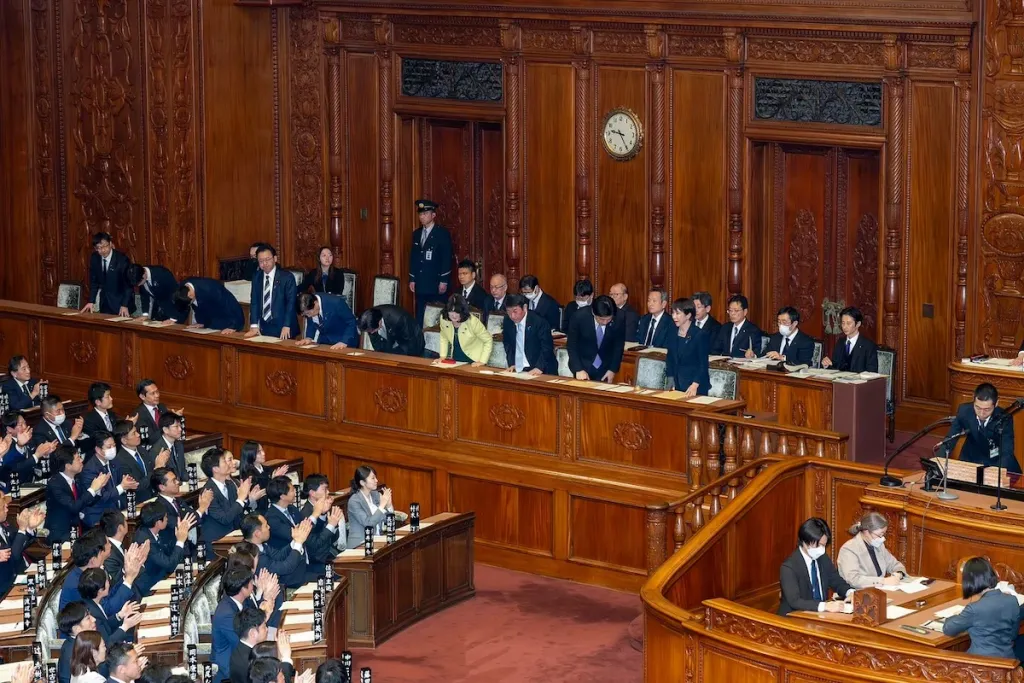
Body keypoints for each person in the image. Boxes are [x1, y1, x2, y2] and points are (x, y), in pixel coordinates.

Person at [943, 557, 1023, 658]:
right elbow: (1013, 635)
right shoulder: (1012, 600)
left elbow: (948, 629)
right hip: (1007, 660)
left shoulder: (974, 609)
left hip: (981, 664)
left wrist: (955, 616)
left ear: (971, 582)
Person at [778, 518, 855, 616]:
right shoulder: (789, 567)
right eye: (818, 545)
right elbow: (795, 601)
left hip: (819, 616)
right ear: (805, 542)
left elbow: (836, 580)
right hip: (794, 618)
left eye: (824, 545)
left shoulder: (822, 558)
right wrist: (825, 606)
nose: (821, 550)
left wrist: (850, 593)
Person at [212, 567, 278, 679]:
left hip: (245, 655)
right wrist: (265, 615)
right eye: (251, 583)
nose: (254, 586)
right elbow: (244, 640)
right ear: (243, 589)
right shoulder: (226, 615)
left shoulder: (239, 600)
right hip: (232, 668)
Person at [943, 383, 1020, 474]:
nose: (981, 413)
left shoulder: (1004, 418)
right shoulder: (964, 411)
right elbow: (950, 439)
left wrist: (994, 473)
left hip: (996, 462)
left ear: (996, 404)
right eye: (978, 408)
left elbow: (1007, 451)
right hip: (971, 458)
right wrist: (937, 461)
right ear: (974, 400)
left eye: (987, 409)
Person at [60, 528, 140, 611]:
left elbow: (108, 596)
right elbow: (106, 610)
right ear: (93, 560)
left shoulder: (88, 573)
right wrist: (129, 579)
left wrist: (126, 575)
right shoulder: (80, 586)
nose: (110, 545)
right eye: (107, 543)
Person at [202, 447, 263, 550]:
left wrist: (246, 500)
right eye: (224, 461)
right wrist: (241, 499)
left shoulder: (230, 484)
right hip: (216, 543)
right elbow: (225, 518)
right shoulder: (208, 492)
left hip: (233, 536)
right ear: (215, 469)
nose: (229, 463)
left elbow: (237, 511)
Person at [46, 446, 110, 544]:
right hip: (61, 535)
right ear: (68, 465)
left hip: (77, 529)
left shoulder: (76, 478)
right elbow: (74, 507)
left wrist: (98, 489)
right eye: (77, 458)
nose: (81, 460)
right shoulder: (55, 484)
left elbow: (86, 502)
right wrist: (93, 489)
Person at [77, 431, 137, 528]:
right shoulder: (90, 470)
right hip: (98, 515)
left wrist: (128, 484)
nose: (113, 449)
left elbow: (120, 483)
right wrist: (122, 487)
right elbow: (102, 497)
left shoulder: (115, 461)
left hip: (115, 511)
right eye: (109, 447)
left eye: (114, 445)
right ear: (98, 449)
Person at [408, 199, 453, 324]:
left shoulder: (442, 234)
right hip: (421, 282)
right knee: (420, 314)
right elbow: (414, 256)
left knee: (436, 315)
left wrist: (443, 281)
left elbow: (446, 258)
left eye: (425, 214)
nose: (422, 217)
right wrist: (412, 278)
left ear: (433, 215)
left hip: (435, 282)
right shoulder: (416, 234)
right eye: (420, 214)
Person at [133, 500, 191, 596]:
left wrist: (178, 539)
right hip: (148, 589)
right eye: (165, 517)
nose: (167, 519)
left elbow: (167, 554)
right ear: (158, 522)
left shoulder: (149, 531)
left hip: (159, 578)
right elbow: (169, 564)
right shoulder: (146, 541)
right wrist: (180, 541)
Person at [240, 512, 312, 589]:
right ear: (257, 534)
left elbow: (279, 555)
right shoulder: (253, 554)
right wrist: (299, 542)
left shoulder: (260, 545)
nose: (269, 527)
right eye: (266, 526)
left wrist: (295, 540)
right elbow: (285, 568)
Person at [837, 512, 907, 589]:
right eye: (879, 535)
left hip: (880, 592)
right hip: (857, 595)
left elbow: (895, 565)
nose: (882, 538)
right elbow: (854, 580)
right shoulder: (849, 549)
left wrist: (898, 574)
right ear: (866, 532)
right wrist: (883, 581)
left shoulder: (879, 546)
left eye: (883, 534)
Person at [566, 295, 625, 383]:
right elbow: (572, 345)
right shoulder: (579, 316)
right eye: (601, 319)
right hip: (583, 366)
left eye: (608, 319)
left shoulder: (619, 317)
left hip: (606, 368)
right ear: (593, 313)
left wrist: (612, 369)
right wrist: (578, 369)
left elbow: (618, 346)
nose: (605, 323)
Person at [152, 467, 212, 550]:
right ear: (162, 487)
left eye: (176, 479)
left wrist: (203, 508)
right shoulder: (159, 507)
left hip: (188, 545)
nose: (178, 482)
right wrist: (202, 508)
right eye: (173, 481)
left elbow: (194, 517)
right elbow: (181, 525)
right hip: (173, 550)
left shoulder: (178, 500)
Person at [78, 568, 141, 644]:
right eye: (107, 581)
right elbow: (106, 643)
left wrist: (120, 615)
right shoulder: (92, 613)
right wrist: (125, 626)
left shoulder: (91, 602)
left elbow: (105, 625)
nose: (109, 583)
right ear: (100, 590)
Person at [247, 244, 297, 341]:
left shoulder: (286, 277)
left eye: (267, 259)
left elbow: (291, 303)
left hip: (283, 327)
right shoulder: (256, 277)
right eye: (261, 261)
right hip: (264, 327)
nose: (264, 263)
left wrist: (286, 325)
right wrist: (254, 325)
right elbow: (254, 301)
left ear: (275, 258)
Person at [665, 298, 711, 397]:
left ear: (688, 315)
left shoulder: (699, 335)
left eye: (678, 313)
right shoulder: (672, 333)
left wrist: (694, 385)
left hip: (696, 386)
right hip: (677, 385)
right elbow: (670, 359)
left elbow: (703, 364)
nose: (674, 317)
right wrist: (670, 379)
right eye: (673, 313)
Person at [502, 294, 556, 375]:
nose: (512, 316)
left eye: (515, 311)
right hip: (518, 368)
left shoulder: (539, 322)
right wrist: (512, 363)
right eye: (508, 312)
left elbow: (547, 347)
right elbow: (508, 344)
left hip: (541, 369)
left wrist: (539, 367)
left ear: (524, 307)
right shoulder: (507, 321)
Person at [0, 498, 43, 599]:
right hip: (4, 589)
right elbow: (14, 554)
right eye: (3, 507)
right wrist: (22, 529)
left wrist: (29, 528)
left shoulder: (4, 525)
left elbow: (18, 543)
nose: (7, 509)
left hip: (18, 578)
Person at [112, 420, 164, 503]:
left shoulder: (141, 450)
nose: (138, 434)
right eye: (134, 433)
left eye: (136, 431)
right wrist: (156, 469)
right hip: (137, 502)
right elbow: (137, 486)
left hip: (153, 496)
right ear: (124, 440)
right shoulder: (119, 460)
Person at [82, 232, 133, 316]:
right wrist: (91, 301)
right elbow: (94, 282)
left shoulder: (122, 260)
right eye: (99, 248)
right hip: (105, 303)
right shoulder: (95, 258)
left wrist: (124, 305)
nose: (102, 250)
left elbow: (128, 285)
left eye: (105, 246)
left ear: (110, 244)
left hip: (121, 305)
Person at [347, 465, 396, 548]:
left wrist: (389, 505)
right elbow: (368, 524)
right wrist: (382, 505)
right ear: (362, 482)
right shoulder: (354, 501)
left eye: (376, 477)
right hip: (360, 545)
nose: (376, 480)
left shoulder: (375, 495)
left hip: (376, 541)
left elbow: (389, 522)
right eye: (373, 478)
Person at [173, 277, 246, 333]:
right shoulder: (183, 288)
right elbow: (197, 306)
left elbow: (230, 305)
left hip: (227, 319)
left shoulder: (210, 288)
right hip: (210, 322)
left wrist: (233, 326)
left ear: (191, 295)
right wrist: (202, 323)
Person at [301, 474, 346, 562]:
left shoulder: (325, 507)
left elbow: (333, 538)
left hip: (329, 552)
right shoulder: (306, 514)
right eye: (324, 489)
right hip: (317, 559)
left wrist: (329, 520)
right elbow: (315, 544)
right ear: (312, 493)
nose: (328, 492)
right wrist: (330, 525)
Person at [439, 294, 492, 365]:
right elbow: (444, 336)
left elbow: (488, 340)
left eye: (457, 312)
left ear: (463, 311)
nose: (454, 315)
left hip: (474, 360)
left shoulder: (473, 322)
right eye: (451, 311)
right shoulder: (444, 319)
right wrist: (442, 356)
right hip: (455, 360)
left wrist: (482, 361)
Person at [57, 603, 105, 683]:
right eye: (88, 618)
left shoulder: (77, 642)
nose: (94, 619)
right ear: (77, 629)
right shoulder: (73, 651)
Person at [822, 306, 879, 372]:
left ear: (858, 324)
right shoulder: (840, 342)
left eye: (848, 323)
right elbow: (835, 367)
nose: (844, 327)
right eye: (843, 323)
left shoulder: (868, 346)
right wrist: (827, 365)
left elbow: (872, 372)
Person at [239, 441, 288, 514]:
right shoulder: (248, 476)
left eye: (262, 450)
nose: (263, 453)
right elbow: (260, 494)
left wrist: (277, 478)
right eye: (259, 452)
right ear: (250, 454)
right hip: (260, 511)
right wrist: (273, 479)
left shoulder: (267, 469)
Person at [358, 305, 425, 357]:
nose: (371, 333)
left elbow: (411, 343)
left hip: (412, 341)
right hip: (393, 343)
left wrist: (393, 356)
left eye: (372, 331)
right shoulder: (370, 320)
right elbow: (377, 346)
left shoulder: (399, 318)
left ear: (379, 322)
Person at [231, 607, 268, 683]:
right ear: (252, 633)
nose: (267, 629)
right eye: (264, 627)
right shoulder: (253, 662)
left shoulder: (237, 650)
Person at [132, 379, 172, 447]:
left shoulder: (162, 407)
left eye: (157, 392)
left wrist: (175, 418)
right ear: (142, 396)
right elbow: (150, 439)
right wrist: (169, 427)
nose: (157, 395)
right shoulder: (138, 414)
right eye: (152, 393)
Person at [100, 510, 130, 587]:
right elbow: (117, 581)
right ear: (120, 528)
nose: (127, 523)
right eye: (125, 521)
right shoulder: (108, 554)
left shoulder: (118, 544)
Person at [154, 413, 187, 482]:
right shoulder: (157, 450)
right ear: (165, 430)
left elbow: (182, 471)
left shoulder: (179, 445)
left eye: (180, 426)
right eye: (176, 427)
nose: (180, 429)